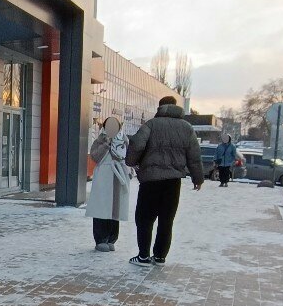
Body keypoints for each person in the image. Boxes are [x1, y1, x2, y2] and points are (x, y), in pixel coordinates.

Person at [125, 96, 204, 267]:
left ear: (160, 107)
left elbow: (137, 145)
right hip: (173, 181)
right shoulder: (187, 127)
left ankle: (143, 256)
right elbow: (194, 156)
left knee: (144, 218)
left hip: (150, 180)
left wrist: (131, 161)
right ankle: (160, 256)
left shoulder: (151, 125)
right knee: (166, 219)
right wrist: (198, 178)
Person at [86, 117, 130, 252]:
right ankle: (100, 239)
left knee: (115, 209)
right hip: (104, 177)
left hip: (118, 176)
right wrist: (106, 144)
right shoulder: (100, 140)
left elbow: (128, 157)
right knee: (102, 207)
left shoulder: (124, 140)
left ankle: (111, 238)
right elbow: (95, 157)